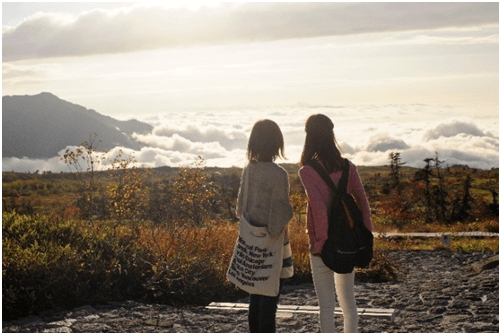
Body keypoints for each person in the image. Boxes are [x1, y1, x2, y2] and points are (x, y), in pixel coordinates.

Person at [298, 114, 373, 333]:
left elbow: (319, 210)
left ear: (309, 136)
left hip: (325, 245)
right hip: (348, 242)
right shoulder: (349, 167)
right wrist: (365, 236)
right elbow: (363, 204)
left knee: (327, 307)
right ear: (331, 134)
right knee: (349, 302)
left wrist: (319, 243)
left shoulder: (308, 171)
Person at [236, 119, 294, 333]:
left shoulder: (249, 170)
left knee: (255, 300)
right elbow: (277, 220)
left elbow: (240, 209)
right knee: (269, 304)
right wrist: (291, 210)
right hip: (272, 248)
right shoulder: (279, 174)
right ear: (277, 143)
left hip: (251, 246)